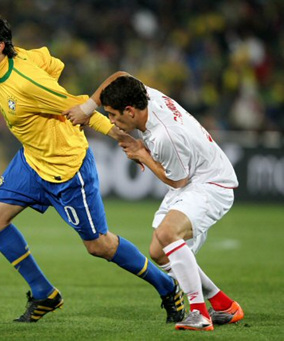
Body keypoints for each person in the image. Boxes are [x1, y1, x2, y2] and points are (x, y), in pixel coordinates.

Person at [0, 13, 185, 323]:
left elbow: (77, 105)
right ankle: (44, 294)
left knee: (99, 245)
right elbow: (51, 61)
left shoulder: (25, 83)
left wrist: (122, 137)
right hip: (31, 161)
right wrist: (50, 86)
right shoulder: (17, 63)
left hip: (67, 169)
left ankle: (168, 287)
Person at [65, 72, 244, 331]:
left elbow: (177, 182)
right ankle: (223, 304)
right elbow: (120, 75)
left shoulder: (164, 136)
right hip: (197, 176)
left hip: (210, 183)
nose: (112, 122)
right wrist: (88, 107)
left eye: (113, 115)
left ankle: (199, 313)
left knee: (168, 233)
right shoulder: (145, 95)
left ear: (130, 111)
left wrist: (142, 154)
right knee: (158, 252)